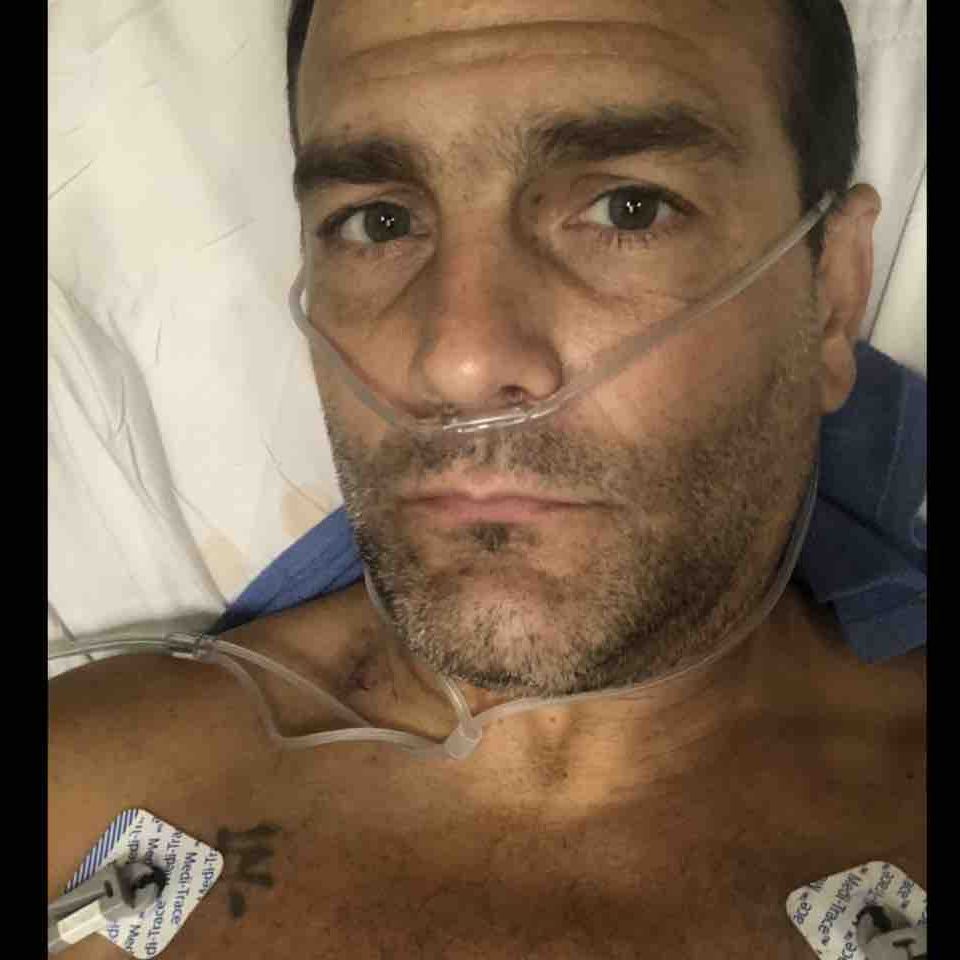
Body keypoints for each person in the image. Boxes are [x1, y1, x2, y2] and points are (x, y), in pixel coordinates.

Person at [48, 0, 925, 955]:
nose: (457, 362)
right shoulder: (81, 791)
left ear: (830, 294)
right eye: (379, 222)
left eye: (628, 208)